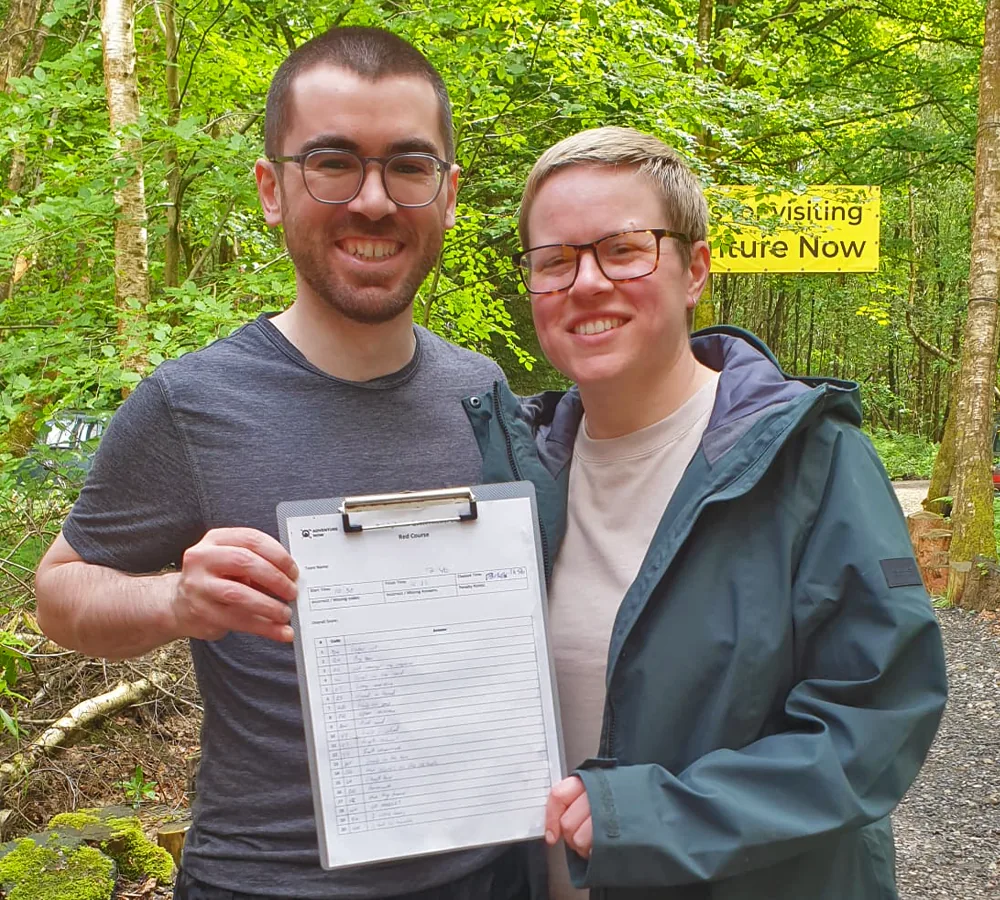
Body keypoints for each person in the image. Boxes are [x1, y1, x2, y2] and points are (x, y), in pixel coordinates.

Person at [34, 26, 535, 900]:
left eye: (408, 167)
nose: (374, 201)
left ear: (448, 194)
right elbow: (59, 594)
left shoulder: (483, 389)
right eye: (333, 162)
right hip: (268, 881)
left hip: (488, 870)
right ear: (272, 188)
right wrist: (176, 600)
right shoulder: (190, 403)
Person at [462, 126, 948, 899]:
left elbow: (875, 719)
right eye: (554, 261)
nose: (586, 282)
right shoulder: (510, 470)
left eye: (623, 249)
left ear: (695, 269)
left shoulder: (809, 460)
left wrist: (652, 817)